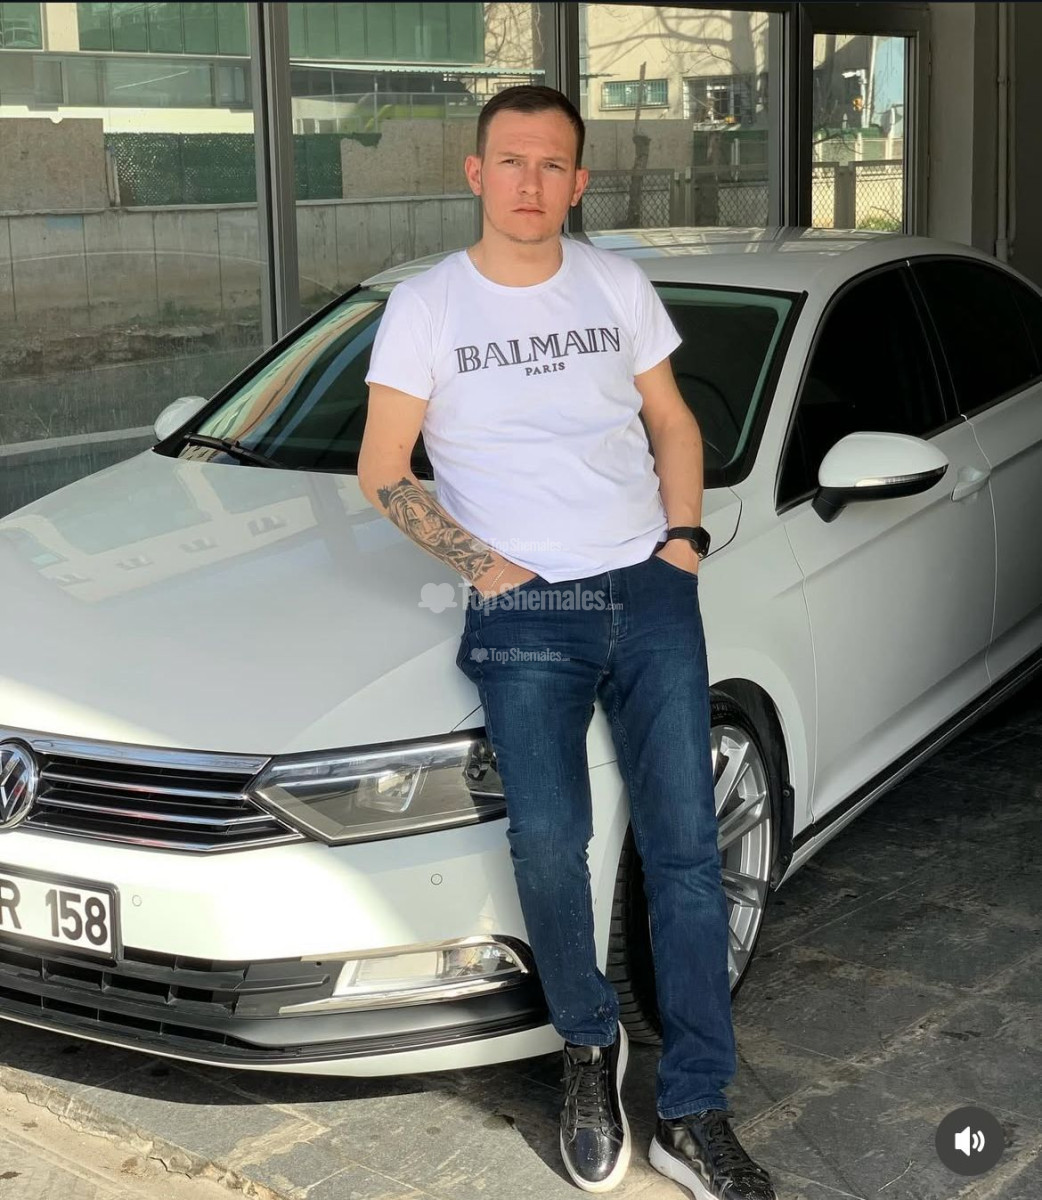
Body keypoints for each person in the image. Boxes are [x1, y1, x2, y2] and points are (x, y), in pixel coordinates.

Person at [358, 85, 776, 1200]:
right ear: (475, 173)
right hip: (525, 609)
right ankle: (588, 1046)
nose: (530, 182)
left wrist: (681, 542)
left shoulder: (617, 284)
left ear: (579, 182)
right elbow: (384, 467)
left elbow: (671, 419)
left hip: (648, 590)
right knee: (549, 844)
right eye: (511, 161)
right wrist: (491, 572)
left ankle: (694, 1107)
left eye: (552, 165)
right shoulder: (427, 307)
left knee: (686, 853)